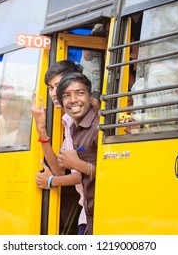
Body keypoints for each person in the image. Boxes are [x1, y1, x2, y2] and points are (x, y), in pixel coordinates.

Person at [32, 60, 87, 234]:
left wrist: (51, 182)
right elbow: (60, 170)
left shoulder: (82, 119)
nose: (54, 92)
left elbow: (85, 174)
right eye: (51, 87)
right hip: (85, 211)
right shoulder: (67, 120)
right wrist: (41, 130)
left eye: (59, 85)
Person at [56, 72, 100, 235]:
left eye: (80, 93)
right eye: (66, 96)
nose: (73, 100)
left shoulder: (98, 127)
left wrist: (76, 164)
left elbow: (112, 174)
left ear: (90, 97)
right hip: (90, 213)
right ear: (60, 102)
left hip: (105, 213)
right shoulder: (75, 127)